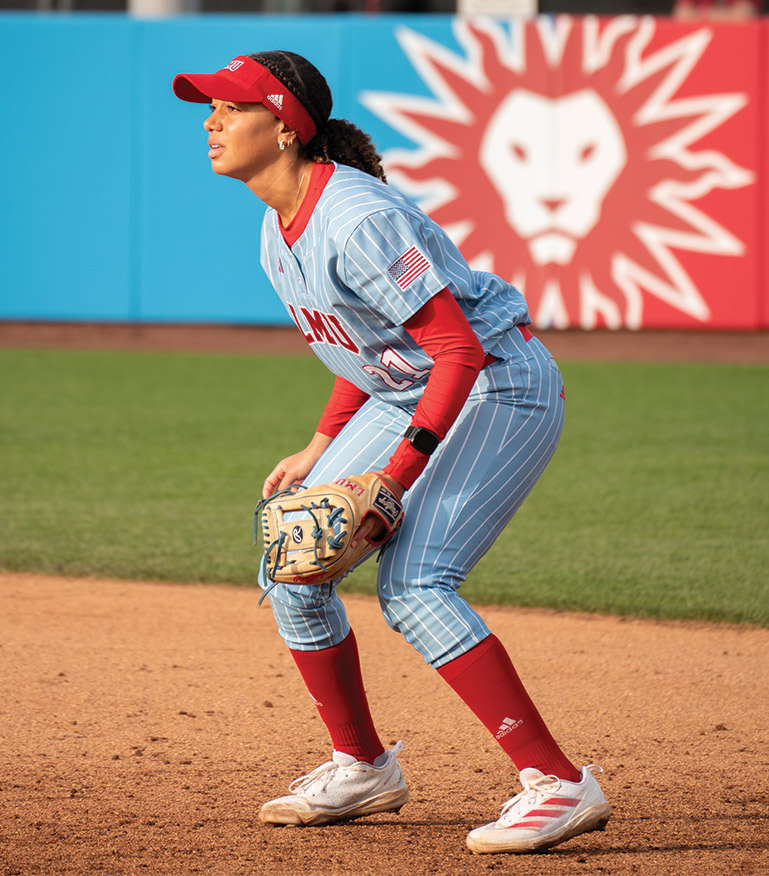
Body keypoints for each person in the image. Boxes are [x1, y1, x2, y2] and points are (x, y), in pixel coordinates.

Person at [172, 50, 610, 855]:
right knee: (293, 557)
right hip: (411, 389)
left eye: (231, 108)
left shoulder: (357, 219)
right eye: (211, 108)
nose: (212, 121)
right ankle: (362, 765)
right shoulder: (277, 226)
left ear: (285, 126)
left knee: (414, 583)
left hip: (496, 383)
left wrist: (389, 482)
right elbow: (367, 350)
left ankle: (557, 783)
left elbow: (455, 348)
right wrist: (319, 445)